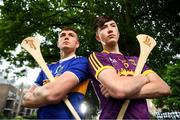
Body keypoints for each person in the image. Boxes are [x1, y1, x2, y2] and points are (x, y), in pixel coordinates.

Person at [88, 15, 171, 119]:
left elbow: (163, 88)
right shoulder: (98, 57)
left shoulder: (137, 60)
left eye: (113, 26)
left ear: (118, 32)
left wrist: (121, 89)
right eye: (104, 27)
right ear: (98, 37)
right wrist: (143, 78)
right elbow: (119, 90)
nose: (110, 30)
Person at [23, 27, 89, 119]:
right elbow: (26, 101)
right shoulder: (47, 68)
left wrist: (39, 91)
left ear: (77, 44)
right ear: (58, 44)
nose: (66, 37)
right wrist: (51, 93)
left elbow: (52, 94)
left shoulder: (81, 62)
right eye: (62, 35)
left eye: (71, 35)